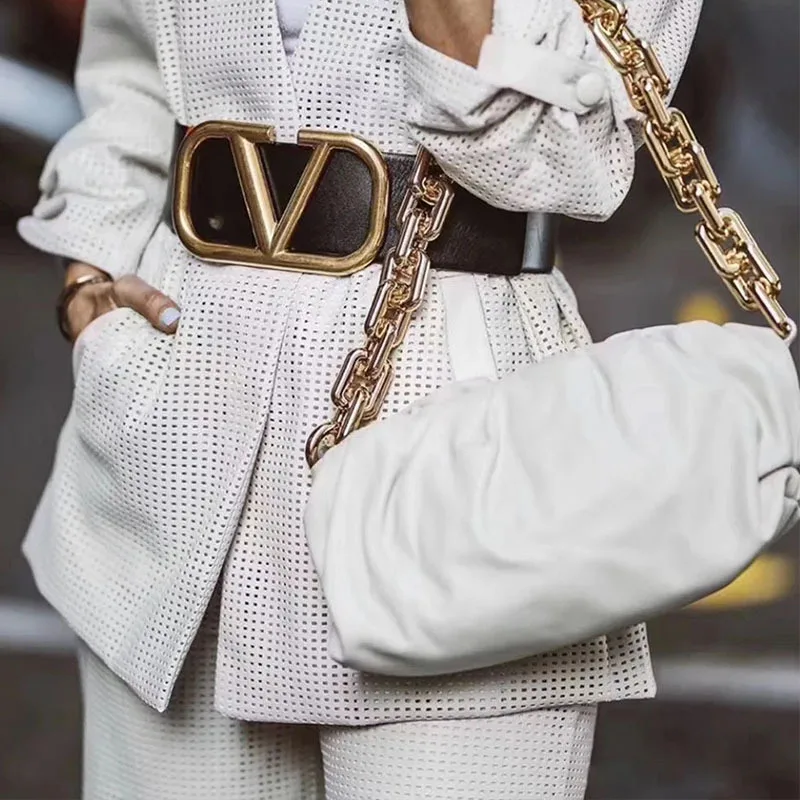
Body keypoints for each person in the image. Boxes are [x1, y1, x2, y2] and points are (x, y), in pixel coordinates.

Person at [19, 1, 702, 798]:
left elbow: (566, 160)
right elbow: (132, 68)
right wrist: (91, 268)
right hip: (175, 437)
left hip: (455, 466)